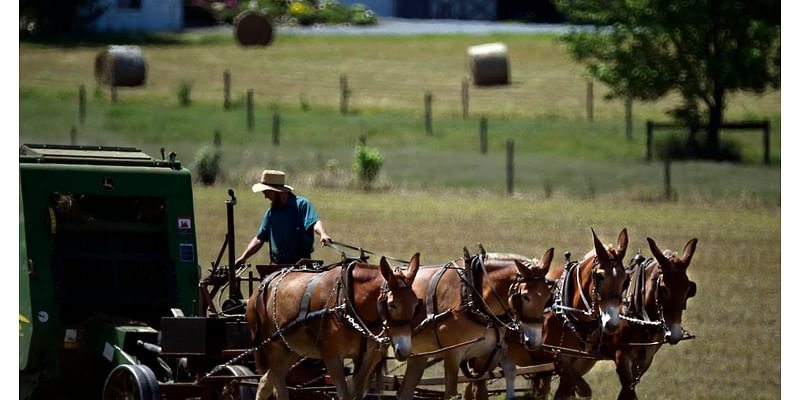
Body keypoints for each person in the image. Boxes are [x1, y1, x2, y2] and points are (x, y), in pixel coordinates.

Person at [235, 169, 332, 266]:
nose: (265, 196)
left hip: (301, 266)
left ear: (277, 192)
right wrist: (243, 257)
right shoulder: (270, 213)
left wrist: (323, 234)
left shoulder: (302, 205)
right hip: (276, 267)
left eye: (266, 192)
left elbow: (314, 222)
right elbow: (259, 239)